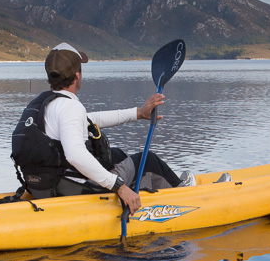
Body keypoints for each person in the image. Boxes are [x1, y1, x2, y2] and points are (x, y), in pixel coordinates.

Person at [12, 42, 192, 212]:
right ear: (77, 75)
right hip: (74, 189)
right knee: (148, 160)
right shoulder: (69, 106)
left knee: (118, 155)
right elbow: (75, 155)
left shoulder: (45, 104)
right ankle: (187, 196)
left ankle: (152, 190)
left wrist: (138, 113)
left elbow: (89, 120)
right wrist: (119, 186)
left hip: (47, 184)